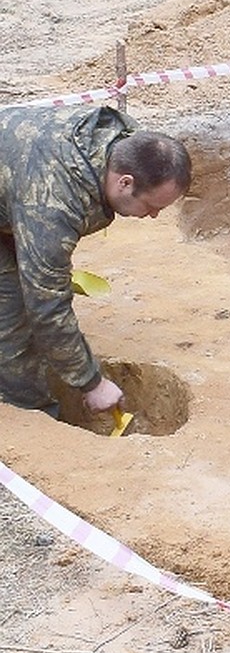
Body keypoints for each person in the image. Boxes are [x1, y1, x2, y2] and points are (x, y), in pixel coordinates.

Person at [0, 104, 192, 418]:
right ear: (125, 183)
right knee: (11, 308)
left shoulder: (121, 142)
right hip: (25, 190)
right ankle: (28, 417)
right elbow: (46, 306)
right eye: (151, 205)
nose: (154, 215)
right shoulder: (54, 204)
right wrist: (91, 383)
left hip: (14, 184)